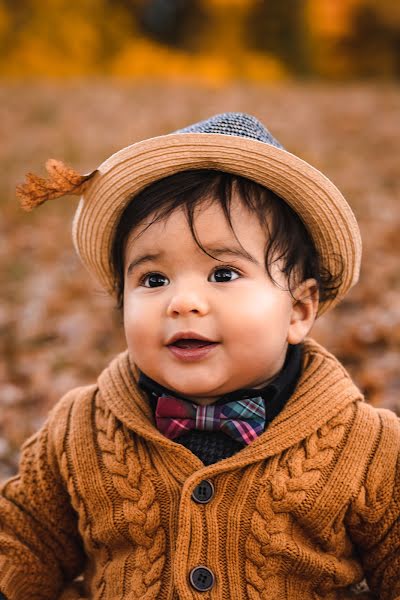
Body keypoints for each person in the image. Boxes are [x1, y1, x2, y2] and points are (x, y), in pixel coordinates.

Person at [1, 112, 399, 600]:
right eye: (153, 279)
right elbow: (23, 540)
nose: (182, 302)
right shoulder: (79, 430)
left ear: (298, 310)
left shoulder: (369, 448)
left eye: (224, 274)